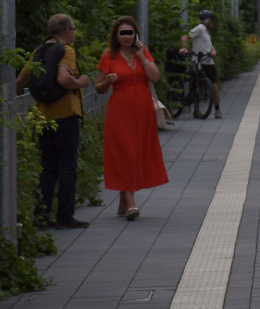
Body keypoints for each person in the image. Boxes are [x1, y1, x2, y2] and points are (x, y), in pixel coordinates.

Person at [15, 13, 93, 230]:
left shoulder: (39, 51)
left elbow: (21, 79)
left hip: (43, 117)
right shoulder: (66, 50)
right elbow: (63, 78)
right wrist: (80, 82)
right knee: (67, 165)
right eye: (73, 30)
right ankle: (64, 216)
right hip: (66, 116)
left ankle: (41, 216)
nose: (74, 33)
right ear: (66, 31)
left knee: (48, 167)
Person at [94, 16, 169, 220]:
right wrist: (107, 82)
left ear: (136, 34)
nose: (127, 37)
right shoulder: (109, 57)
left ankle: (123, 203)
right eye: (123, 33)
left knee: (136, 153)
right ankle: (131, 205)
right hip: (120, 112)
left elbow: (155, 77)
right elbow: (98, 88)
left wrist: (142, 56)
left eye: (130, 32)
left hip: (142, 113)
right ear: (116, 36)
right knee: (126, 153)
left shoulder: (142, 52)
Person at [181, 9, 221, 118]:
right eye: (211, 20)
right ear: (208, 20)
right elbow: (185, 37)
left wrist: (213, 51)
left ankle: (217, 110)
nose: (211, 23)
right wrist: (184, 48)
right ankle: (198, 110)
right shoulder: (199, 28)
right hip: (200, 62)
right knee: (201, 86)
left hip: (208, 62)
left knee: (212, 86)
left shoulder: (206, 32)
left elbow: (209, 45)